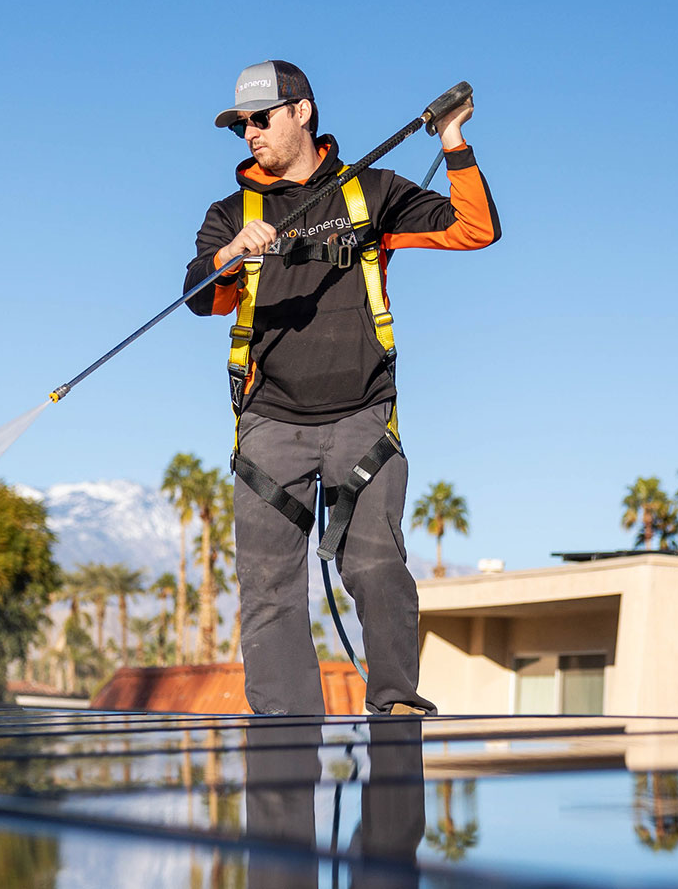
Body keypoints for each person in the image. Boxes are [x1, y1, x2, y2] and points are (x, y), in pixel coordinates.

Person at [185, 60, 500, 716]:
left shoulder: (372, 193)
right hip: (268, 424)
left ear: (301, 111)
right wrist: (229, 255)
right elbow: (200, 298)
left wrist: (452, 141)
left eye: (261, 118)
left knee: (376, 569)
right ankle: (282, 726)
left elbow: (476, 230)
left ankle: (396, 704)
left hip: (363, 420)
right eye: (240, 124)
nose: (250, 133)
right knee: (267, 585)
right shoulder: (229, 213)